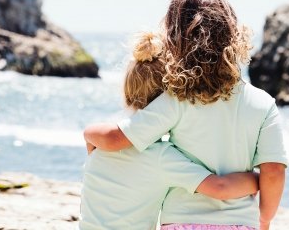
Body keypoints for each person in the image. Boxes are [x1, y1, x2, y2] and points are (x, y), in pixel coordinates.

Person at [84, 0, 288, 230]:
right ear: (233, 35)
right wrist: (264, 218)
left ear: (174, 40)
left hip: (181, 220)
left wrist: (89, 135)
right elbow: (274, 171)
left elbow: (118, 139)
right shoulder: (263, 103)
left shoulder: (176, 98)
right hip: (240, 221)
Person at [79, 30, 260, 230]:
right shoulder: (161, 156)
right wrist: (257, 180)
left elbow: (92, 136)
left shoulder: (98, 141)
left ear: (126, 89)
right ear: (168, 105)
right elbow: (219, 187)